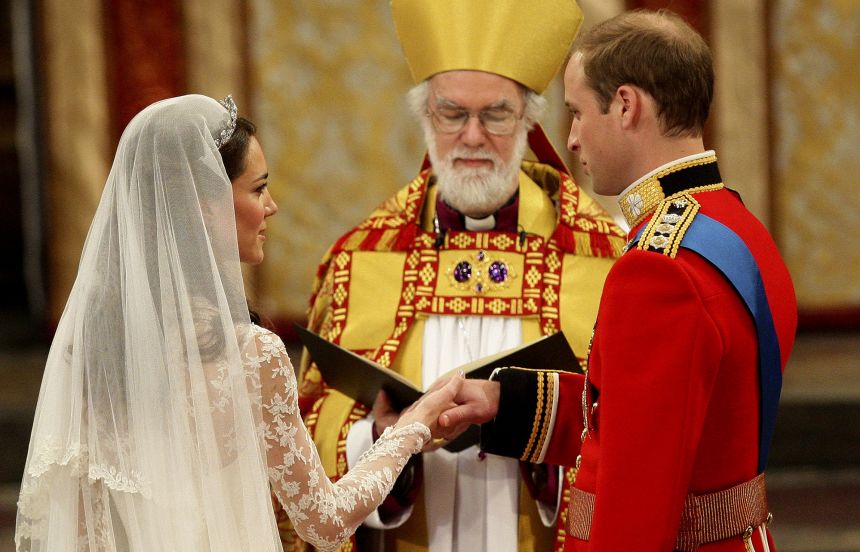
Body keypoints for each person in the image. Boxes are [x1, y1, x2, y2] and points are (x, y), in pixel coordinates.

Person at [14, 94, 461, 552]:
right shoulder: (253, 357)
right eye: (258, 188)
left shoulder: (92, 352)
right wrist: (414, 425)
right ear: (203, 203)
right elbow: (325, 522)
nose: (272, 207)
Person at [438, 9, 798, 552]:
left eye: (578, 113)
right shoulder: (735, 225)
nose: (573, 139)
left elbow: (638, 492)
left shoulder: (657, 270)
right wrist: (504, 402)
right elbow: (647, 414)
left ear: (626, 106)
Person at [284, 1, 625, 551]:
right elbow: (307, 429)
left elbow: (631, 428)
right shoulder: (363, 258)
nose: (472, 137)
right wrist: (382, 441)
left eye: (495, 114)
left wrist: (536, 432)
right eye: (451, 114)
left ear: (527, 120)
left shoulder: (603, 260)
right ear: (426, 118)